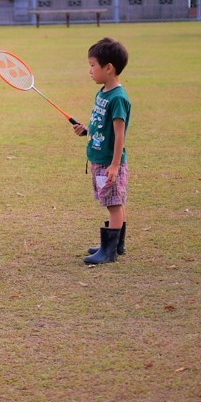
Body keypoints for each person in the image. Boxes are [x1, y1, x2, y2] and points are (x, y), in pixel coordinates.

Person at [73, 37, 131, 264]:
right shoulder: (103, 93)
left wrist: (115, 165)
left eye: (92, 65)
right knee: (113, 202)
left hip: (109, 162)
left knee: (114, 204)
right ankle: (116, 245)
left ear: (109, 68)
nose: (90, 70)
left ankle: (109, 251)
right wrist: (87, 131)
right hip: (99, 159)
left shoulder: (117, 98)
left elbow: (119, 134)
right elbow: (102, 126)